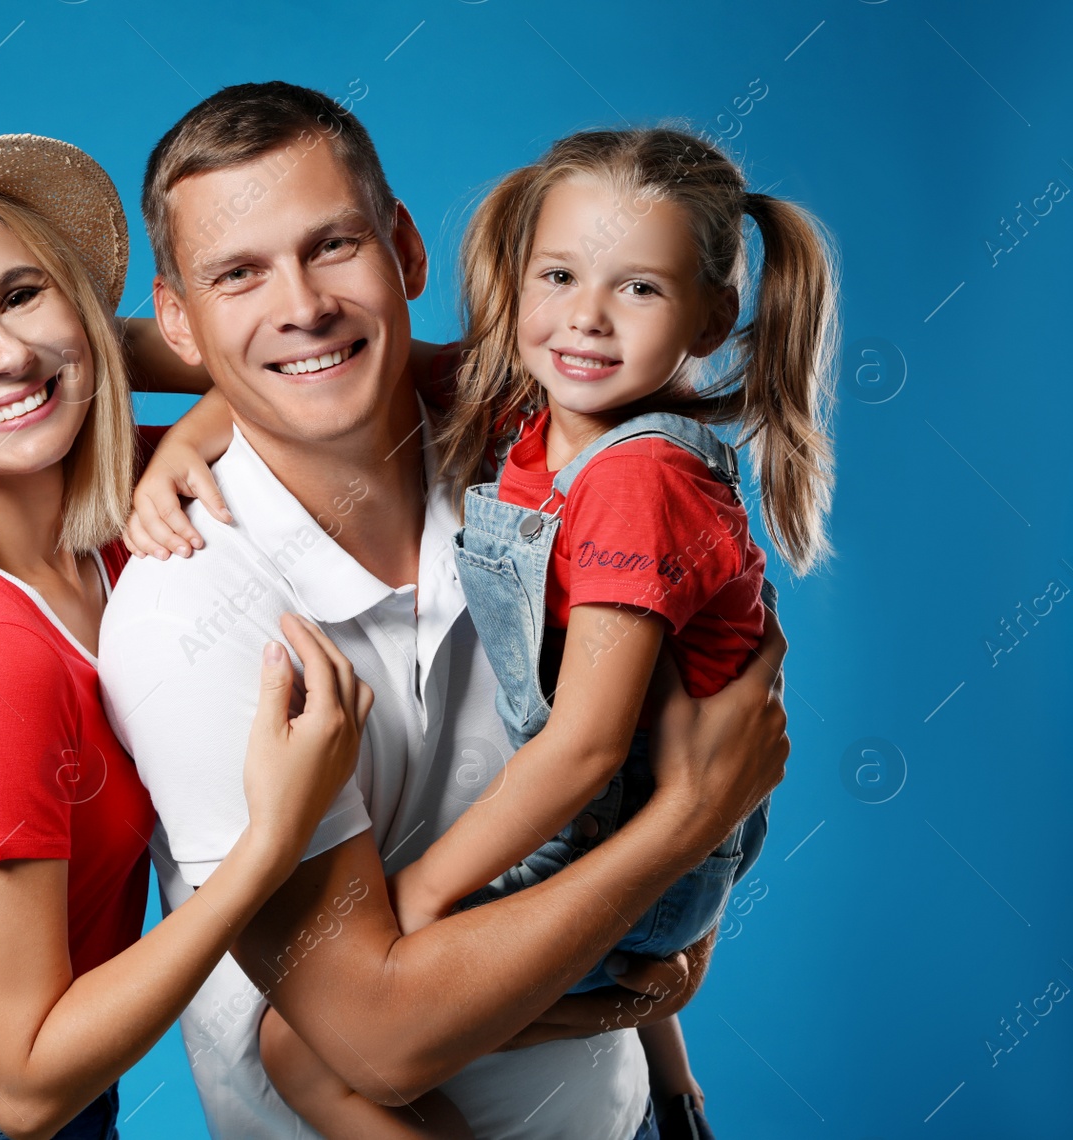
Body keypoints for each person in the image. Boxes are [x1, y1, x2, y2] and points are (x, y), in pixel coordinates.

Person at [99, 82, 789, 1140]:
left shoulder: (522, 443)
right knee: (324, 1048)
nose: (301, 302)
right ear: (181, 318)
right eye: (238, 272)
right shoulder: (185, 610)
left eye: (332, 246)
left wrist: (654, 1017)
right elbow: (377, 1041)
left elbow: (336, 352)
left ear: (407, 253)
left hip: (619, 1115)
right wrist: (691, 819)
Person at [0, 133, 372, 1140]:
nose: (3, 355)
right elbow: (26, 1085)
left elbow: (287, 356)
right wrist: (269, 844)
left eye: (21, 294)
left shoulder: (99, 528)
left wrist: (183, 416)